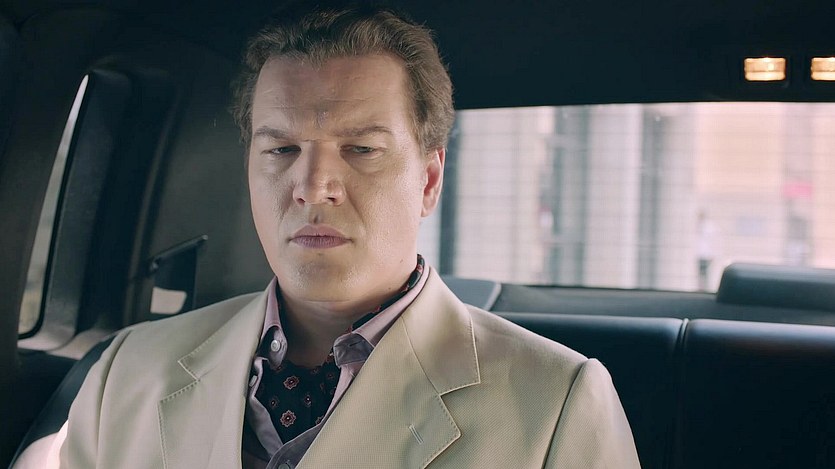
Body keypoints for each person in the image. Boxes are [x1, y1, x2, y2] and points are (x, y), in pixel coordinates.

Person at [49, 3, 641, 468]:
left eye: (360, 149)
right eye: (282, 149)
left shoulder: (555, 403)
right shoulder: (127, 372)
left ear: (429, 179)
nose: (313, 187)